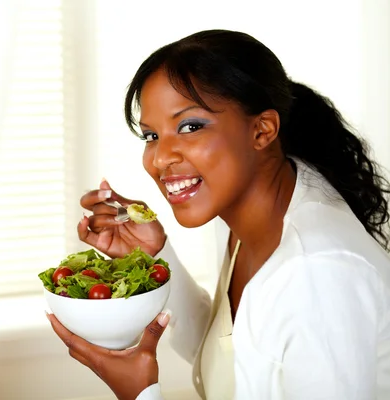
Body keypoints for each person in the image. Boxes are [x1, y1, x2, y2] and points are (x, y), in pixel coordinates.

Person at [46, 29, 390, 400]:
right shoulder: (250, 214)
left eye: (190, 127)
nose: (160, 158)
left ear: (262, 130)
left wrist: (141, 394)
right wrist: (151, 258)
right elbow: (240, 357)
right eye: (151, 136)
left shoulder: (319, 274)